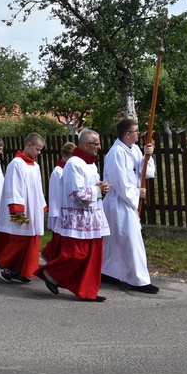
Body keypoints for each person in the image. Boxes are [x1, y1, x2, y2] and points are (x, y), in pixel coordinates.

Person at [35, 129, 111, 302]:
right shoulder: (74, 164)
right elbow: (76, 193)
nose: (99, 147)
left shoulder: (91, 163)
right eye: (96, 144)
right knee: (77, 254)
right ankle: (50, 274)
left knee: (93, 256)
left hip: (93, 219)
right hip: (78, 219)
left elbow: (90, 187)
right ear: (85, 144)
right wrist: (97, 190)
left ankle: (88, 291)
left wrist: (99, 187)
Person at [101, 118, 159, 294]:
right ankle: (137, 280)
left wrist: (148, 155)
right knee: (131, 240)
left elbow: (145, 171)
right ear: (127, 134)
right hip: (119, 201)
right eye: (136, 131)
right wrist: (136, 193)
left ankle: (109, 272)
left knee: (117, 241)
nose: (139, 134)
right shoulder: (116, 153)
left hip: (126, 200)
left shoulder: (132, 149)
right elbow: (119, 182)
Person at [0, 133, 47, 284]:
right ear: (29, 145)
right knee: (20, 238)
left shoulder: (35, 165)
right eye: (37, 149)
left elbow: (38, 187)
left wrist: (42, 206)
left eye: (41, 150)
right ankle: (3, 263)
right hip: (18, 210)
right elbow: (14, 187)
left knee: (30, 239)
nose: (39, 152)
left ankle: (17, 270)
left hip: (32, 210)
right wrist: (17, 208)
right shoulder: (16, 163)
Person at [41, 141, 76, 262]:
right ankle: (50, 256)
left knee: (59, 239)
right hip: (59, 211)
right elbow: (56, 194)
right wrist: (57, 212)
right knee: (58, 238)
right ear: (64, 156)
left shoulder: (67, 170)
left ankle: (49, 255)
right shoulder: (58, 171)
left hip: (65, 211)